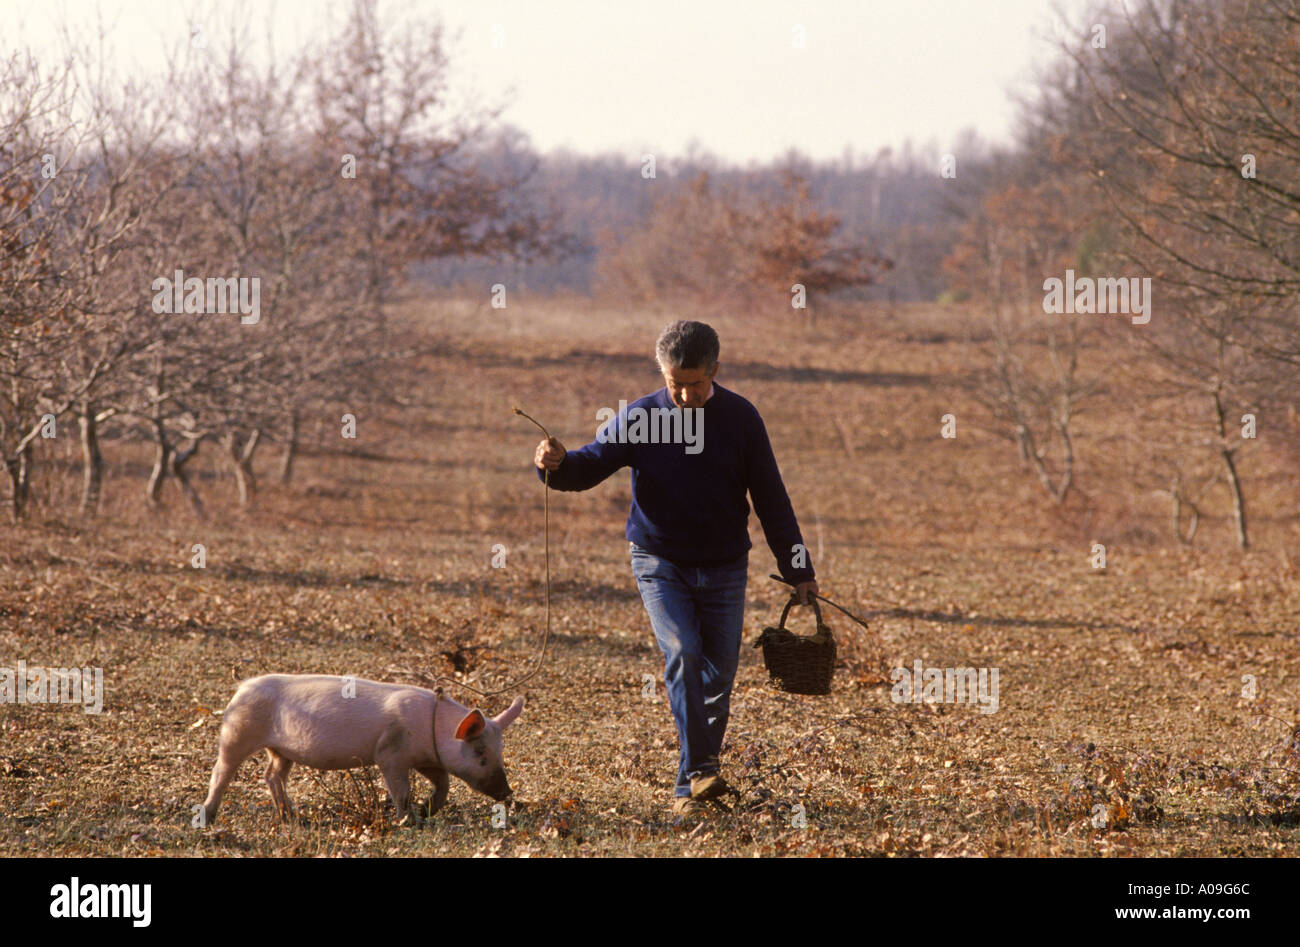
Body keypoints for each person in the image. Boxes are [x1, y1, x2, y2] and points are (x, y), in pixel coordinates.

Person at [532, 320, 817, 817]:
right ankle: (703, 771)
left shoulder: (741, 419)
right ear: (662, 373)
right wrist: (554, 465)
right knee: (684, 652)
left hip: (726, 566)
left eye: (695, 384)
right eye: (674, 384)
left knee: (719, 675)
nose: (684, 396)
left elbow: (771, 498)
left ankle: (690, 792)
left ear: (716, 372)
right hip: (659, 561)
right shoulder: (641, 418)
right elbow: (588, 465)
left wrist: (799, 568)